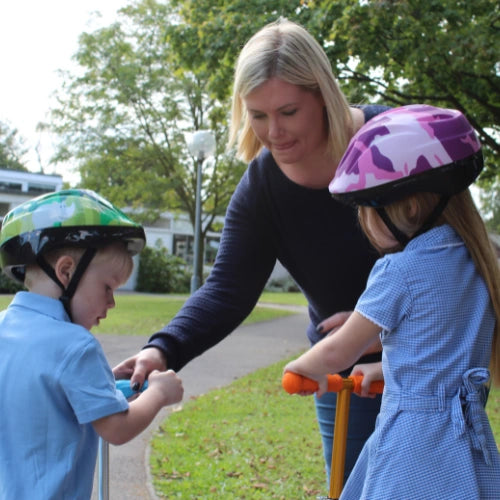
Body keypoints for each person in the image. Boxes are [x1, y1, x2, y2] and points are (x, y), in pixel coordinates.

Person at [114, 18, 389, 481]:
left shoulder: (392, 143)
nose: (273, 132)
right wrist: (161, 350)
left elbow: (455, 262)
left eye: (287, 112)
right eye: (257, 116)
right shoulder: (264, 186)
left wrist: (378, 326)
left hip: (427, 362)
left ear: (322, 94)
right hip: (340, 373)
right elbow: (227, 289)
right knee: (353, 487)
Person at [284, 104, 500, 499]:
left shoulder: (399, 271)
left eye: (367, 209)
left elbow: (340, 349)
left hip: (414, 444)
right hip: (467, 441)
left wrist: (305, 367)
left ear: (409, 207)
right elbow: (445, 353)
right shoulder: (479, 264)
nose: (364, 222)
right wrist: (388, 368)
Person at [0, 189, 184, 500]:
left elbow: (41, 392)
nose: (112, 302)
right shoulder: (76, 345)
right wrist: (158, 394)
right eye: (108, 287)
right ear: (66, 271)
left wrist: (104, 381)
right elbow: (116, 428)